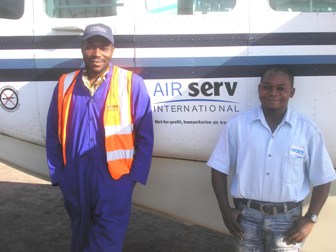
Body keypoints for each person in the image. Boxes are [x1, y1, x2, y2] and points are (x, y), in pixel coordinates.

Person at [46, 23, 154, 252]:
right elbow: (52, 134)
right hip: (74, 179)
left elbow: (145, 136)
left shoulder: (131, 83)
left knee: (106, 243)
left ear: (112, 50)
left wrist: (131, 180)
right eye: (91, 46)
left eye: (103, 47)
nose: (97, 53)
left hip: (114, 180)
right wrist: (60, 177)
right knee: (80, 240)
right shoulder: (65, 84)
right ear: (82, 48)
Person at [207, 65, 336, 251]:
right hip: (246, 217)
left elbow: (324, 178)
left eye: (281, 88)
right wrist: (224, 209)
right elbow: (218, 168)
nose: (273, 92)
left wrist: (310, 218)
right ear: (259, 89)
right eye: (267, 87)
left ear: (292, 92)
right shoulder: (238, 125)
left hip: (288, 221)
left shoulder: (307, 130)